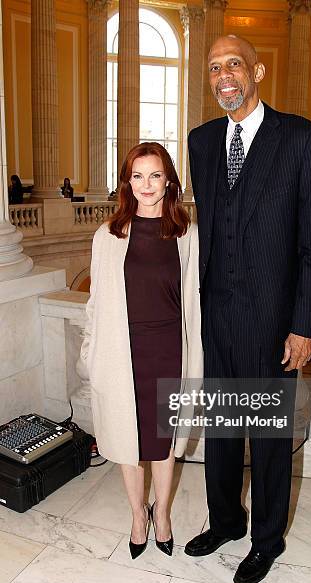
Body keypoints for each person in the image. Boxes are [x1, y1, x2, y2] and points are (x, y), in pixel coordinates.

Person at [184, 35, 311, 583]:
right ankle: (226, 520)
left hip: (273, 320)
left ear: (258, 71)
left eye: (235, 65)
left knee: (268, 436)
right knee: (221, 428)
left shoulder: (300, 138)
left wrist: (303, 324)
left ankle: (267, 540)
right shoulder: (201, 141)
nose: (224, 76)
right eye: (215, 67)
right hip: (215, 314)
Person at [80, 142, 202, 560]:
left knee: (164, 441)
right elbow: (96, 303)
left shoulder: (186, 233)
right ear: (126, 182)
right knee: (127, 439)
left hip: (170, 350)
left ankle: (162, 514)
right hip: (122, 351)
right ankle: (137, 515)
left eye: (154, 175)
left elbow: (195, 302)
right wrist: (90, 354)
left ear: (168, 180)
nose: (146, 185)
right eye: (137, 176)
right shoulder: (108, 236)